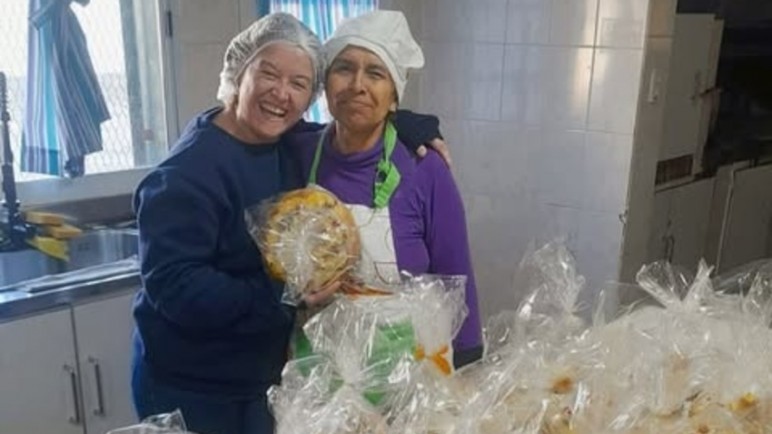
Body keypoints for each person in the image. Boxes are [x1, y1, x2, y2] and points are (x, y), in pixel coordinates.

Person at [131, 12, 447, 434]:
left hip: (263, 376)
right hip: (194, 385)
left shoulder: (288, 143)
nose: (281, 94)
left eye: (299, 83)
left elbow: (350, 127)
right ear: (238, 72)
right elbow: (176, 287)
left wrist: (403, 123)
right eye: (268, 74)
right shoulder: (186, 173)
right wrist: (285, 295)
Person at [286, 10, 483, 368]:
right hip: (320, 368)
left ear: (394, 94)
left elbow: (457, 277)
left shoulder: (425, 168)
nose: (357, 85)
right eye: (344, 68)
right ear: (326, 85)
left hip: (408, 372)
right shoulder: (297, 153)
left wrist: (469, 365)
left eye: (375, 73)